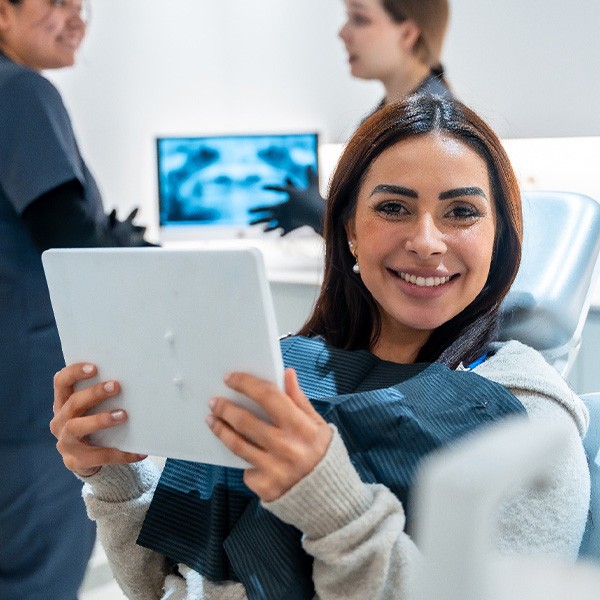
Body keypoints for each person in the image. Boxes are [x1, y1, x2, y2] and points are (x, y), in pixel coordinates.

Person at [51, 95, 589, 600]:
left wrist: (334, 507)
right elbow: (166, 582)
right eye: (395, 208)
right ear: (350, 228)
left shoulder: (527, 421)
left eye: (462, 212)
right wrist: (115, 474)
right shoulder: (276, 368)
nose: (427, 241)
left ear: (500, 239)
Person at [0, 0, 153, 597]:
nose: (77, 19)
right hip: (27, 400)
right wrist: (122, 247)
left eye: (83, 5)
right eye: (56, 1)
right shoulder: (21, 92)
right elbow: (69, 244)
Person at [250, 0, 451, 235]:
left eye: (359, 19)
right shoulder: (391, 114)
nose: (343, 33)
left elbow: (398, 235)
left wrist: (321, 215)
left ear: (407, 33)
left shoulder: (432, 126)